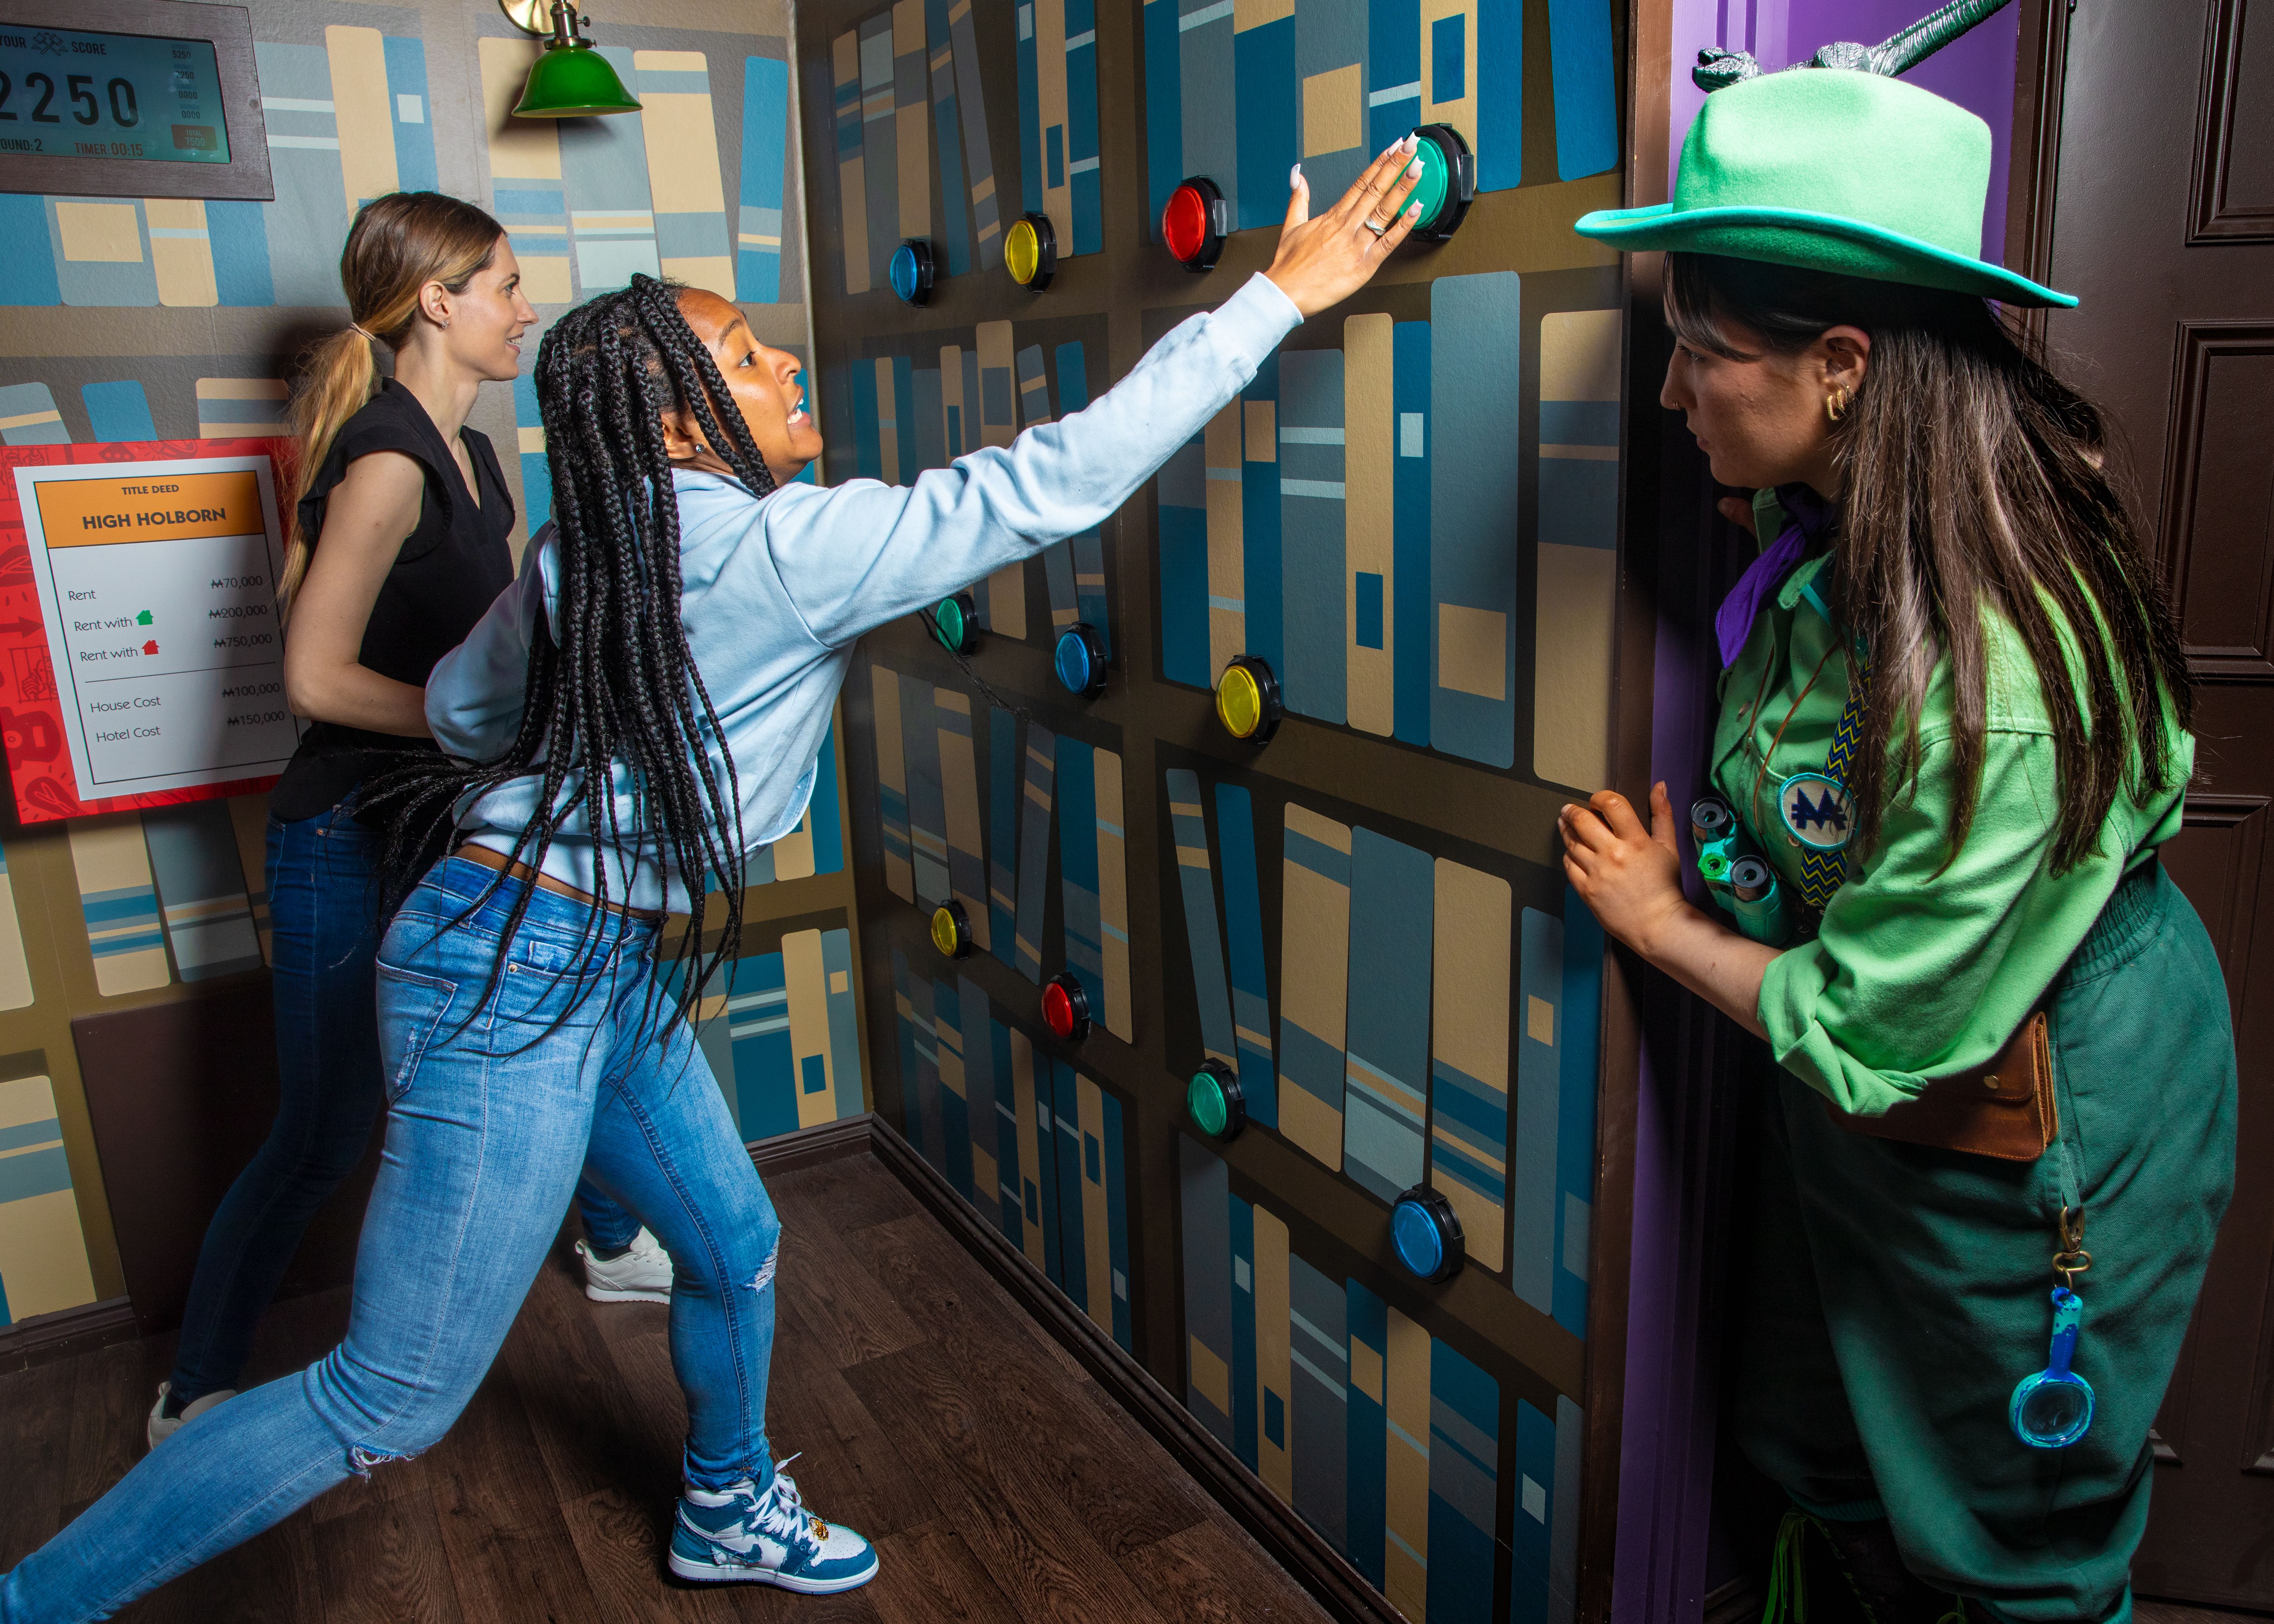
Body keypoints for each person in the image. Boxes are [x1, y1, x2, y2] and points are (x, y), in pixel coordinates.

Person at [0, 145, 1429, 1620]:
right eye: (748, 357)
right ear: (681, 421)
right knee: (388, 1399)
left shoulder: (581, 551)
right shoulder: (784, 553)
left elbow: (465, 717)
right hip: (518, 976)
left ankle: (725, 1504)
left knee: (735, 1245)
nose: (789, 364)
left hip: (569, 956)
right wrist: (1275, 296)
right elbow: (1047, 483)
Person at [1560, 68, 2234, 1624]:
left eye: (1701, 352)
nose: (1670, 396)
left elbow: (1873, 1027)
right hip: (1867, 1096)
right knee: (1821, 1448)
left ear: (1843, 366)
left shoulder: (2001, 683)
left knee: (2010, 1534)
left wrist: (1663, 925)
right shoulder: (1836, 516)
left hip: (2042, 1119)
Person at [147, 194, 671, 1453]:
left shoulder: (477, 458)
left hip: (448, 821)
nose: (526, 309)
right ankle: (191, 1387)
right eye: (506, 285)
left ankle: (610, 1242)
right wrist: (487, 733)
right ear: (438, 301)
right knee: (324, 1130)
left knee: (552, 1029)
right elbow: (314, 681)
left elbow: (490, 653)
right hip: (344, 835)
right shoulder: (386, 456)